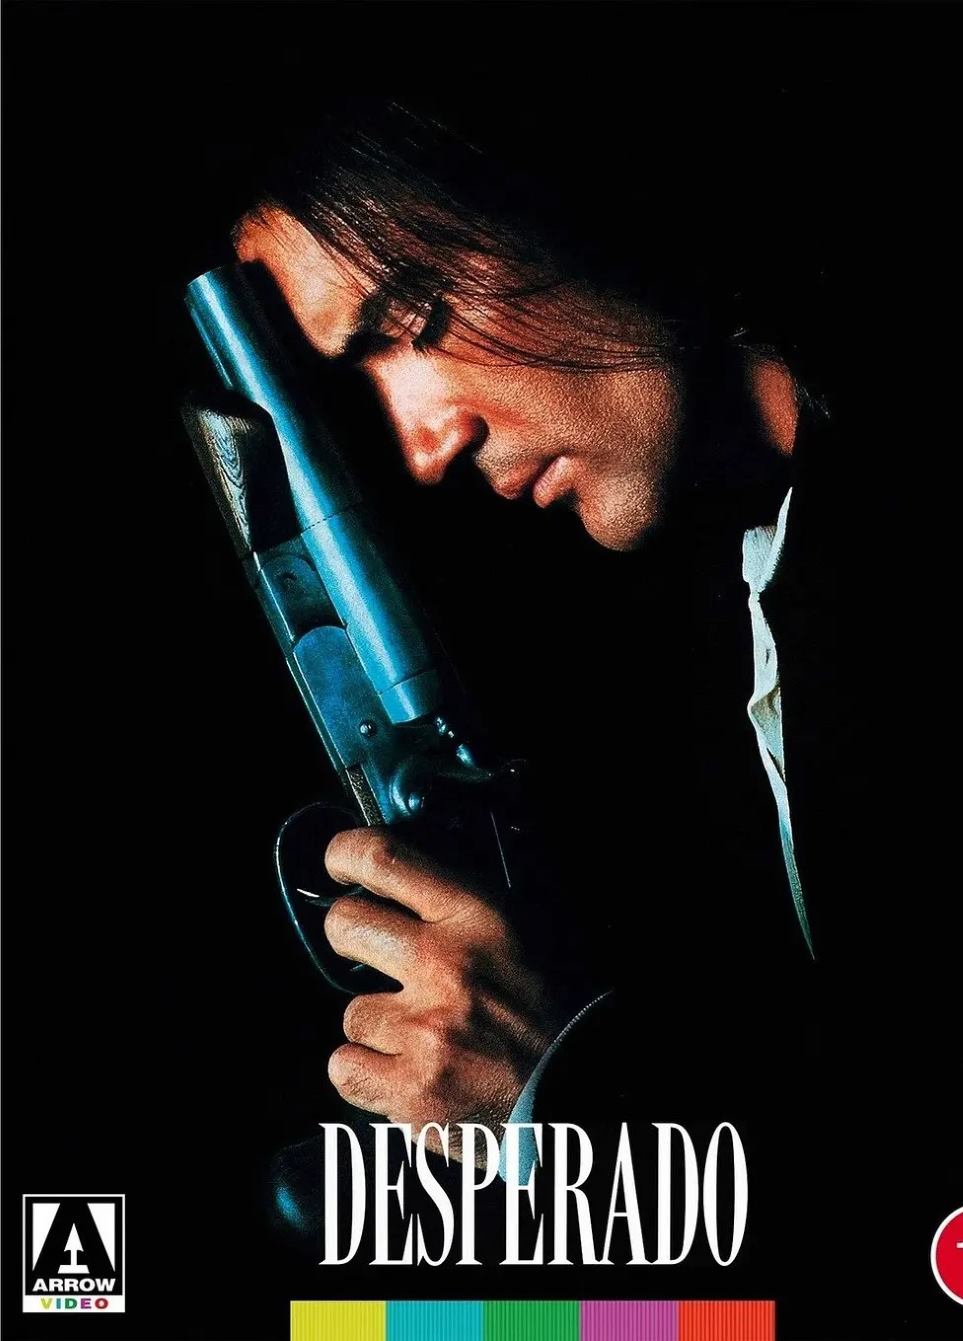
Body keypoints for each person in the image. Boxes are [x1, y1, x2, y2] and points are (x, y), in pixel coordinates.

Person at [231, 95, 956, 1330]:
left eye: (413, 318)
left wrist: (572, 1095)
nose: (425, 446)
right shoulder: (739, 596)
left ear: (562, 191)